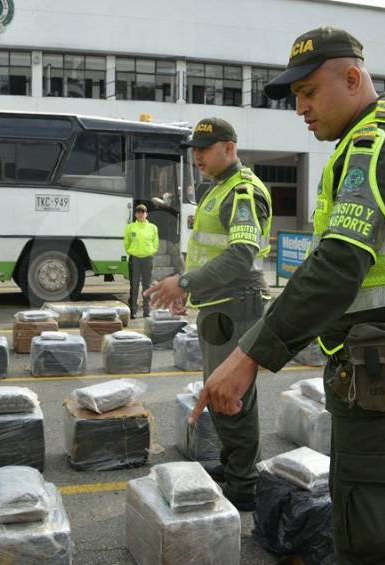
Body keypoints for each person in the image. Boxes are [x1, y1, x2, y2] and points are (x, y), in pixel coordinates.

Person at [190, 27, 385, 564]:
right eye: (296, 98)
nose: (301, 109)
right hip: (378, 373)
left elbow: (339, 265)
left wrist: (249, 357)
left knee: (377, 545)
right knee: (373, 531)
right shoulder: (358, 148)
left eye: (309, 93)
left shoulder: (381, 144)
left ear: (352, 78)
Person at [145, 117, 272, 510]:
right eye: (195, 149)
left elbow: (241, 255)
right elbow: (212, 252)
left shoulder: (243, 191)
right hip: (219, 307)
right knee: (219, 391)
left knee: (232, 396)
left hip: (237, 307)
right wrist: (194, 290)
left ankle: (245, 482)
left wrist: (184, 283)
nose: (197, 155)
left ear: (229, 148)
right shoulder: (218, 189)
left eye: (206, 147)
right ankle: (235, 466)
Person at [124, 203, 159, 318]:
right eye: (138, 212)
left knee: (146, 286)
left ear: (146, 214)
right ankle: (133, 310)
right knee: (134, 285)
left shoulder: (153, 227)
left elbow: (156, 243)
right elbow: (126, 242)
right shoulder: (130, 227)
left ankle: (146, 311)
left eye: (143, 212)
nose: (140, 214)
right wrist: (131, 251)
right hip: (135, 259)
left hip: (148, 259)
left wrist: (151, 251)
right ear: (135, 214)